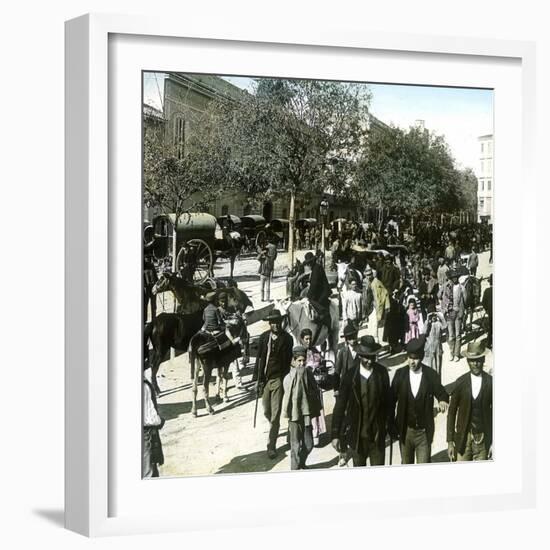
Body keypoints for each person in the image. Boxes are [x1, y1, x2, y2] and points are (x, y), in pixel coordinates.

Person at [331, 336, 390, 467]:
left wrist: (389, 426)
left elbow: (388, 404)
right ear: (359, 356)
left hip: (377, 437)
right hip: (357, 438)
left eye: (372, 357)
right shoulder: (350, 376)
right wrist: (335, 434)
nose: (369, 361)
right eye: (366, 357)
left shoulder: (382, 374)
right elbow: (340, 406)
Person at [389, 337, 449, 464]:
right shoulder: (400, 374)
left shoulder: (430, 375)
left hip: (424, 433)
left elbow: (441, 392)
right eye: (410, 358)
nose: (412, 362)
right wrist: (391, 424)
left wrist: (443, 400)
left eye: (415, 358)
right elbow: (391, 401)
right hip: (405, 432)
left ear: (421, 357)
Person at [255, 311, 294, 458]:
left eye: (277, 321)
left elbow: (290, 359)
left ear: (281, 322)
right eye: (272, 322)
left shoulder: (288, 339)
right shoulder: (264, 337)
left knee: (275, 415)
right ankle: (275, 426)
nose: (275, 325)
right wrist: (257, 380)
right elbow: (259, 359)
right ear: (269, 323)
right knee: (267, 411)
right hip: (265, 380)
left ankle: (271, 445)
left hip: (278, 379)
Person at [447, 341, 493, 461]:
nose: (475, 363)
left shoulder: (490, 382)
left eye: (478, 360)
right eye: (472, 360)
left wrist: (494, 441)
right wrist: (450, 442)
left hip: (482, 440)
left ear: (483, 360)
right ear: (467, 361)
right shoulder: (461, 383)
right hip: (463, 439)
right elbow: (451, 412)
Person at [282, 345, 323, 470]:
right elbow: (288, 399)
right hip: (294, 417)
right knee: (295, 446)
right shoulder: (288, 378)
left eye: (303, 360)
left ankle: (301, 462)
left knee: (309, 444)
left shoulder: (308, 374)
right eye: (299, 361)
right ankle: (295, 469)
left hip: (306, 415)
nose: (301, 363)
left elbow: (315, 391)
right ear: (293, 362)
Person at [300, 328, 327, 446]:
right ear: (302, 339)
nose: (308, 341)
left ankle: (316, 433)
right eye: (306, 339)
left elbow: (320, 362)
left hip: (315, 385)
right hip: (304, 385)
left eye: (310, 338)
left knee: (316, 409)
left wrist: (320, 365)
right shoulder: (299, 352)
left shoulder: (315, 350)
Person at [303, 251, 332, 346]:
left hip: (323, 294)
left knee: (316, 307)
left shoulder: (316, 269)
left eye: (309, 263)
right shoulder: (316, 268)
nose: (308, 265)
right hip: (319, 292)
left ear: (311, 262)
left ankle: (324, 324)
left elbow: (314, 286)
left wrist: (308, 297)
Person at [143, 360, 164, 477]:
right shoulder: (144, 386)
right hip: (146, 435)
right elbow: (151, 418)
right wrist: (160, 420)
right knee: (149, 473)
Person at [441, 270, 466, 361]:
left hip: (458, 313)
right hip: (449, 313)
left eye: (456, 277)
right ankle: (451, 353)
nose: (454, 279)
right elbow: (441, 297)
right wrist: (444, 309)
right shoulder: (447, 287)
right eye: (453, 277)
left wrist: (461, 310)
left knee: (458, 334)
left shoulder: (461, 288)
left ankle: (457, 354)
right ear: (451, 278)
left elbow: (465, 300)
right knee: (451, 335)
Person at [423, 309, 445, 376]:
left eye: (434, 316)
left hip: (438, 346)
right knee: (431, 365)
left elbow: (445, 327)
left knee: (438, 365)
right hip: (431, 347)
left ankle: (438, 382)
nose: (433, 318)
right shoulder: (428, 324)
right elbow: (424, 332)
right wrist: (427, 320)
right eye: (431, 316)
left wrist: (440, 317)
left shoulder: (438, 323)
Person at [482, 274, 493, 349]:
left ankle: (489, 343)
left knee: (491, 328)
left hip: (491, 313)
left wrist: (487, 310)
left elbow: (483, 303)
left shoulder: (487, 291)